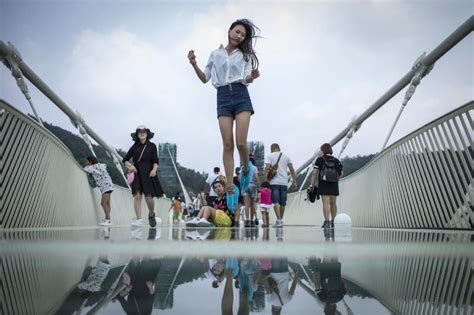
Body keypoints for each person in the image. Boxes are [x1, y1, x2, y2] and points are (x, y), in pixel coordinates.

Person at [188, 19, 261, 195]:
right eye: (237, 32)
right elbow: (205, 78)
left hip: (241, 94)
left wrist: (252, 76)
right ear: (229, 31)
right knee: (228, 144)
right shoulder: (215, 54)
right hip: (222, 97)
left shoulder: (246, 56)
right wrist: (193, 63)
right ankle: (230, 183)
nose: (240, 36)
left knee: (241, 142)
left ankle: (245, 168)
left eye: (243, 35)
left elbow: (246, 78)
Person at [123, 125, 164, 227]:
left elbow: (155, 161)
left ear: (147, 134)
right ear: (137, 134)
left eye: (144, 132)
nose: (142, 133)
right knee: (137, 196)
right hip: (137, 173)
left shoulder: (152, 146)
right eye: (140, 132)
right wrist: (130, 166)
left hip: (148, 174)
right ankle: (139, 220)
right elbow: (125, 159)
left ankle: (151, 214)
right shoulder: (135, 146)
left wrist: (154, 170)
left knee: (149, 198)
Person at [309, 143, 343, 229]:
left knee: (326, 203)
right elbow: (341, 173)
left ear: (323, 150)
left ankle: (327, 222)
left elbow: (314, 172)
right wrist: (336, 179)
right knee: (333, 203)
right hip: (334, 183)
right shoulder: (336, 160)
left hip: (323, 183)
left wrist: (312, 184)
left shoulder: (320, 159)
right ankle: (333, 222)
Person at [264, 143, 297, 228]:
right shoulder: (286, 157)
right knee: (283, 203)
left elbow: (267, 168)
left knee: (275, 202)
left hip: (274, 183)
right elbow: (292, 170)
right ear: (279, 148)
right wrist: (294, 182)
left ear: (272, 148)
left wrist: (265, 180)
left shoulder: (269, 156)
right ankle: (280, 221)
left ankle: (279, 220)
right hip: (284, 183)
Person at [84, 156, 114, 226]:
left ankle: (108, 220)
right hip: (109, 185)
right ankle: (108, 219)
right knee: (107, 203)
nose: (86, 162)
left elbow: (85, 169)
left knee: (103, 203)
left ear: (90, 162)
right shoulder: (101, 165)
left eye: (87, 161)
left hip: (105, 186)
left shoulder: (92, 167)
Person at [243, 154, 260, 227]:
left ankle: (247, 220)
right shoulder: (254, 168)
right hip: (252, 186)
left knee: (246, 205)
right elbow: (256, 177)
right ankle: (252, 220)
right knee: (252, 205)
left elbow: (239, 178)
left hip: (245, 186)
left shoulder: (243, 167)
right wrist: (259, 184)